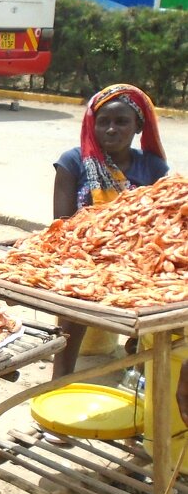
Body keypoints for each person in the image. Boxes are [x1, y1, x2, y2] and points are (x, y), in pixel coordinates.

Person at [50, 84, 169, 381]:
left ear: (138, 126)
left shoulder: (153, 168)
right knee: (74, 305)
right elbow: (61, 224)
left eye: (122, 122)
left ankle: (139, 374)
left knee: (163, 309)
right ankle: (58, 383)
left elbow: (162, 222)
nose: (111, 129)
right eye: (103, 122)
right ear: (92, 124)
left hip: (138, 259)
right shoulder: (73, 162)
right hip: (83, 255)